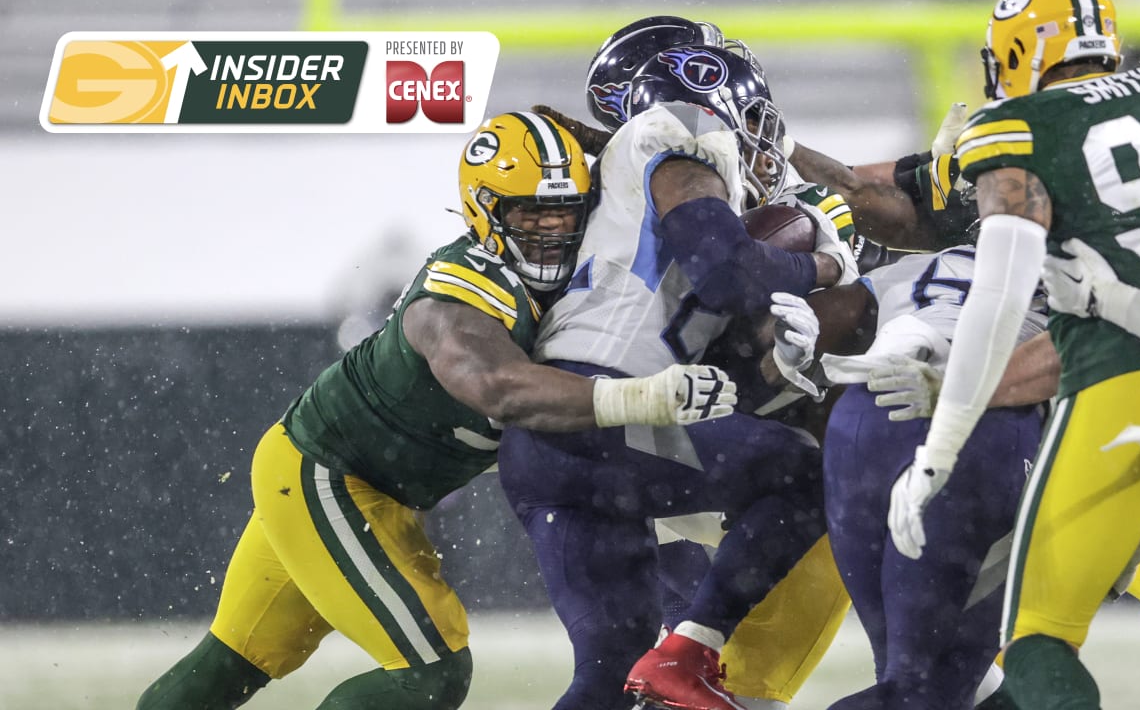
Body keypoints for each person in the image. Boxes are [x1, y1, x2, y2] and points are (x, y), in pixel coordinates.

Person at [135, 111, 737, 710]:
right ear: (486, 210)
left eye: (566, 211)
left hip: (371, 487)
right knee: (428, 674)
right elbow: (501, 388)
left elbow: (632, 168)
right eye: (532, 212)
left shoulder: (573, 276)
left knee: (233, 661)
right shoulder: (459, 290)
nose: (553, 228)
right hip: (329, 476)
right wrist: (646, 396)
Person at [888, 0, 1140, 707]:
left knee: (1039, 640)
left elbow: (997, 302)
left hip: (1120, 388)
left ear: (1015, 50)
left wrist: (937, 451)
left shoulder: (1015, 128)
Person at [497, 44, 858, 710]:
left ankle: (677, 653)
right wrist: (824, 270)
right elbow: (726, 274)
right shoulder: (684, 131)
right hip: (608, 419)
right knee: (802, 474)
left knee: (608, 676)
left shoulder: (617, 188)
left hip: (543, 446)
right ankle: (692, 653)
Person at [768, 238, 1053, 709]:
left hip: (865, 417)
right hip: (983, 425)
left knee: (910, 677)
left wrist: (787, 350)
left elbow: (810, 330)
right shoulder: (1083, 260)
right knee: (927, 690)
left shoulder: (917, 266)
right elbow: (1081, 355)